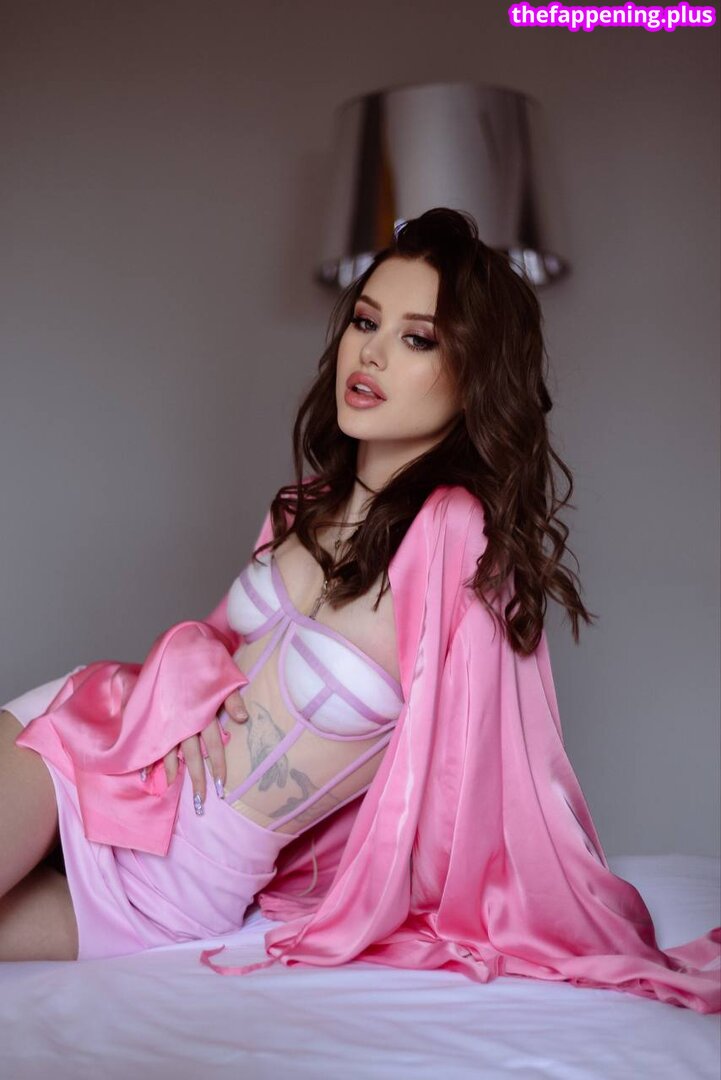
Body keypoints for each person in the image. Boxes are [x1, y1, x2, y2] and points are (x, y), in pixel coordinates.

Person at [1, 209, 719, 1012]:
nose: (371, 352)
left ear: (475, 377)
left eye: (417, 339)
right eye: (366, 321)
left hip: (183, 882)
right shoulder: (300, 507)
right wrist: (186, 661)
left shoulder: (453, 537)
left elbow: (495, 769)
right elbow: (219, 643)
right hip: (91, 742)